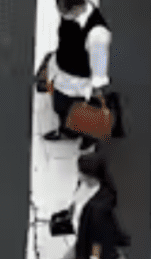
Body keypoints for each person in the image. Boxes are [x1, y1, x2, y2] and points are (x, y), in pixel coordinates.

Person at [10, 152, 143, 259]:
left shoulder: (97, 208)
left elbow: (97, 240)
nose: (77, 174)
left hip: (90, 244)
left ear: (90, 175)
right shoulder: (94, 187)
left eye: (80, 171)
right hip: (95, 241)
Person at [44, 0, 112, 149]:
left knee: (80, 111)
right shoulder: (69, 12)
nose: (60, 13)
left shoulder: (97, 33)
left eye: (64, 11)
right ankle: (67, 131)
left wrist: (95, 92)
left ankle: (88, 136)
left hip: (79, 82)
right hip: (62, 71)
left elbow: (99, 69)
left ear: (78, 7)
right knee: (60, 107)